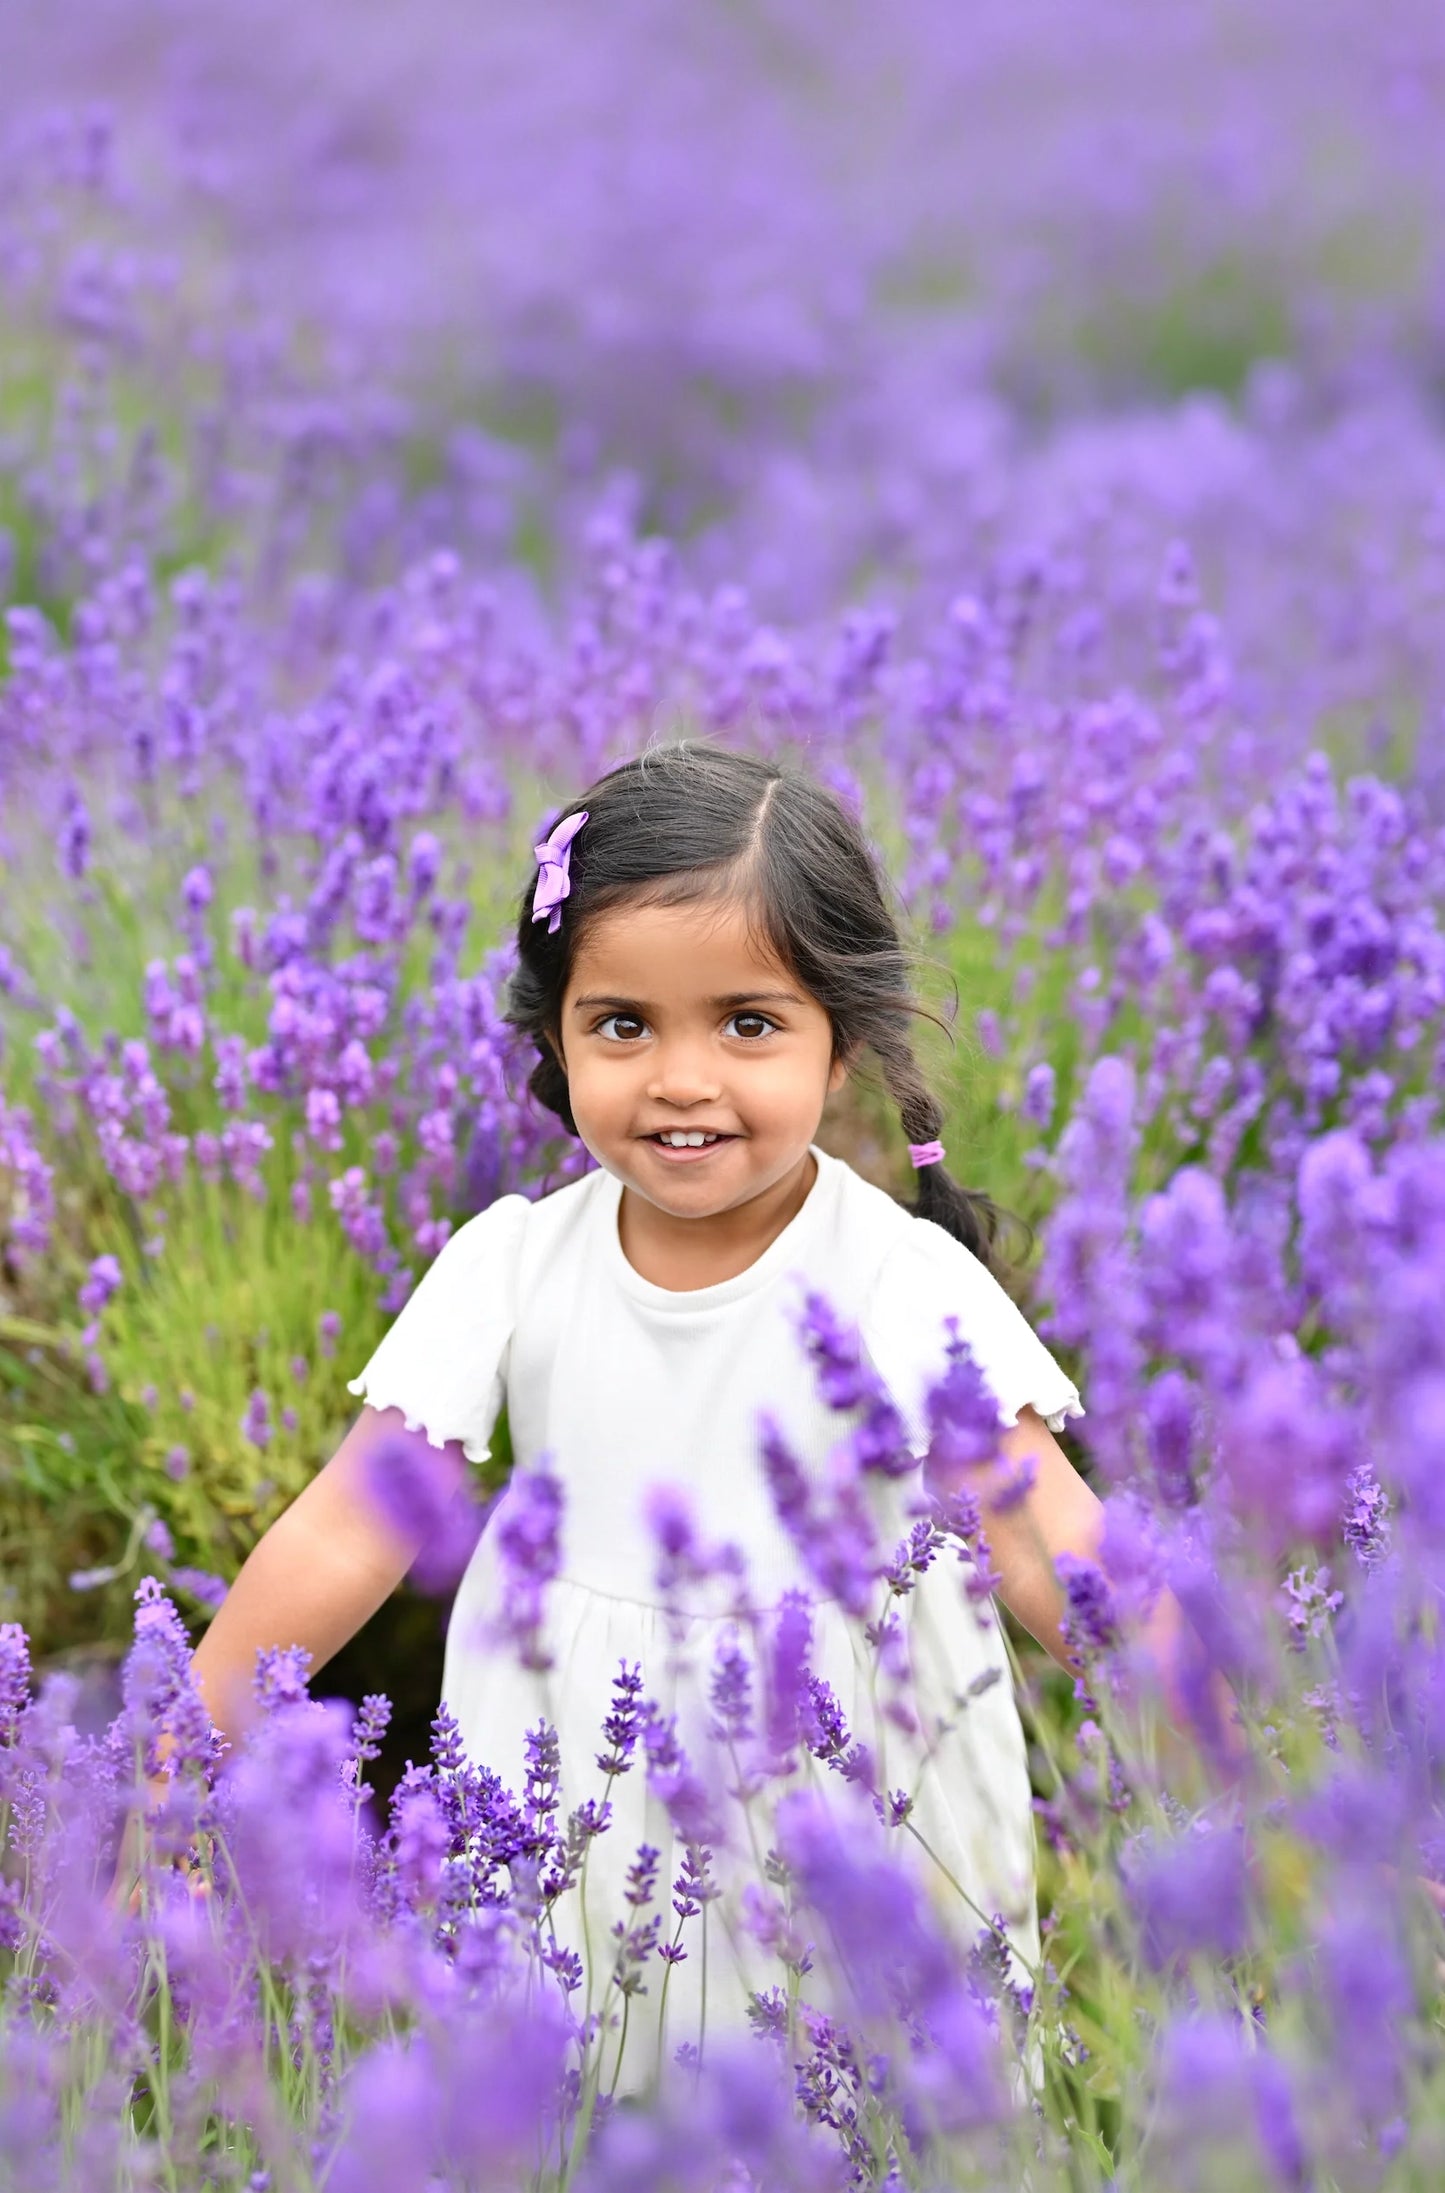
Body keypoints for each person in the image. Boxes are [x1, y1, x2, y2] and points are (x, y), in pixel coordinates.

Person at [179, 740, 1120, 2091]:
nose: (682, 1078)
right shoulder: (512, 1263)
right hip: (579, 1789)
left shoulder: (900, 1282)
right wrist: (177, 1737)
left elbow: (1044, 1541)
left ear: (838, 1040)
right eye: (623, 1023)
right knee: (580, 2104)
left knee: (863, 2112)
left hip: (849, 1807)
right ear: (556, 1038)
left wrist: (1237, 1724)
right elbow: (353, 1521)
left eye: (747, 1022)